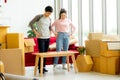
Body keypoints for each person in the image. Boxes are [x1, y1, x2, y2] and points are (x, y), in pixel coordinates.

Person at [29, 6, 53, 73]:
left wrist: (50, 30)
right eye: (48, 13)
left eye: (50, 13)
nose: (48, 14)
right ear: (45, 11)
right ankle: (40, 68)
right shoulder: (39, 17)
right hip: (41, 38)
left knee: (45, 53)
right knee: (41, 53)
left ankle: (43, 67)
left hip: (47, 37)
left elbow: (49, 26)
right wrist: (35, 31)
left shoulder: (49, 19)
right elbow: (31, 23)